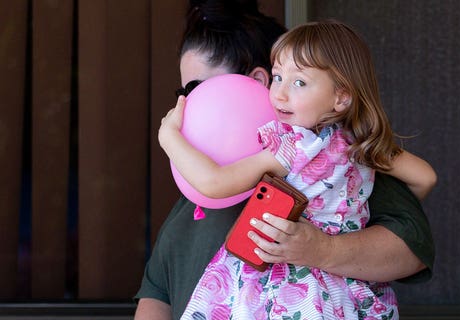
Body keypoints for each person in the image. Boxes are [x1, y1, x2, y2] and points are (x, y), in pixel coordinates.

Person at [134, 1, 436, 319]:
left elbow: (410, 244)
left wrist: (168, 137)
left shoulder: (297, 149)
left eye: (197, 87)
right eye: (281, 78)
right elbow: (426, 178)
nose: (188, 102)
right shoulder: (358, 147)